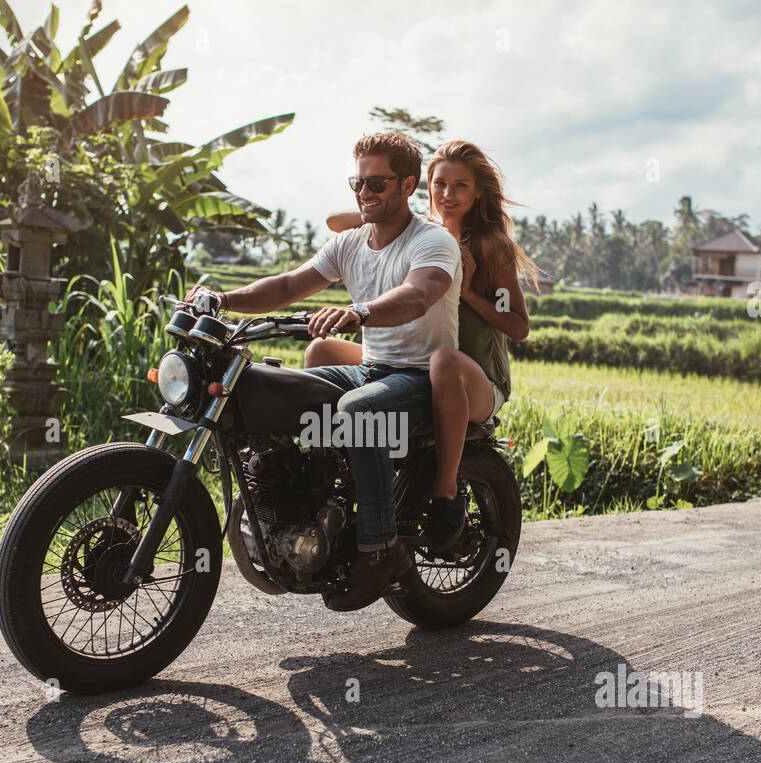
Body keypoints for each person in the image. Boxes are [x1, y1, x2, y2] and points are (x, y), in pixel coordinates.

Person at [184, 132, 461, 611]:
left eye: (377, 183)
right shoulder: (350, 243)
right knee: (270, 389)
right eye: (358, 182)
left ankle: (380, 550)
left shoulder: (432, 241)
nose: (364, 193)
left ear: (407, 184)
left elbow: (419, 293)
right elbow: (290, 284)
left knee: (357, 411)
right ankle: (303, 501)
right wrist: (225, 301)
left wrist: (361, 312)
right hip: (371, 369)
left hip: (418, 378)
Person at [312, 140, 536, 551]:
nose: (448, 196)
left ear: (478, 193)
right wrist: (374, 208)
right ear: (424, 187)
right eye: (440, 185)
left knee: (444, 361)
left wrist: (467, 291)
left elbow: (518, 326)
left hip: (475, 378)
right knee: (321, 351)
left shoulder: (490, 246)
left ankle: (446, 490)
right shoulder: (421, 233)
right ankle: (337, 476)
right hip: (412, 362)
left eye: (460, 187)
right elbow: (332, 221)